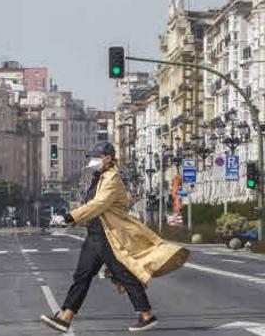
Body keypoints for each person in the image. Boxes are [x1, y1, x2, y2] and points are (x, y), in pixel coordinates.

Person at [40, 142, 189, 333]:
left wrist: (70, 217)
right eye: (91, 158)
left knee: (123, 274)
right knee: (83, 275)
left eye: (96, 157)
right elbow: (91, 205)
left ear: (108, 158)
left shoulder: (112, 180)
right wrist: (76, 218)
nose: (93, 161)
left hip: (109, 234)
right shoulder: (98, 177)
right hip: (95, 233)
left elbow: (99, 204)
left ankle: (147, 315)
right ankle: (66, 317)